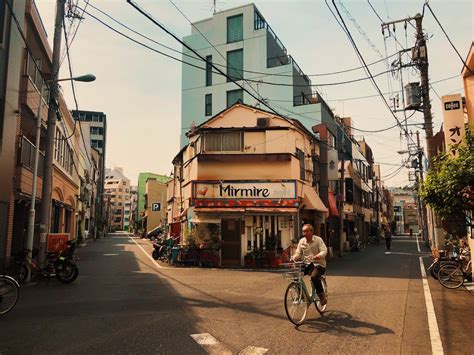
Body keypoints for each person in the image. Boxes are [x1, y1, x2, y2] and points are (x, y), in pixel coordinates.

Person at [291, 224, 328, 305]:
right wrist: (294, 257)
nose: (305, 233)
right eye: (303, 231)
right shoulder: (302, 241)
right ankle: (301, 295)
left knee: (314, 277)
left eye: (307, 231)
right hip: (307, 264)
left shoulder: (318, 240)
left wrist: (318, 256)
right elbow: (298, 253)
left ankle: (321, 295)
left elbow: (324, 251)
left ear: (312, 231)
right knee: (295, 274)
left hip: (319, 264)